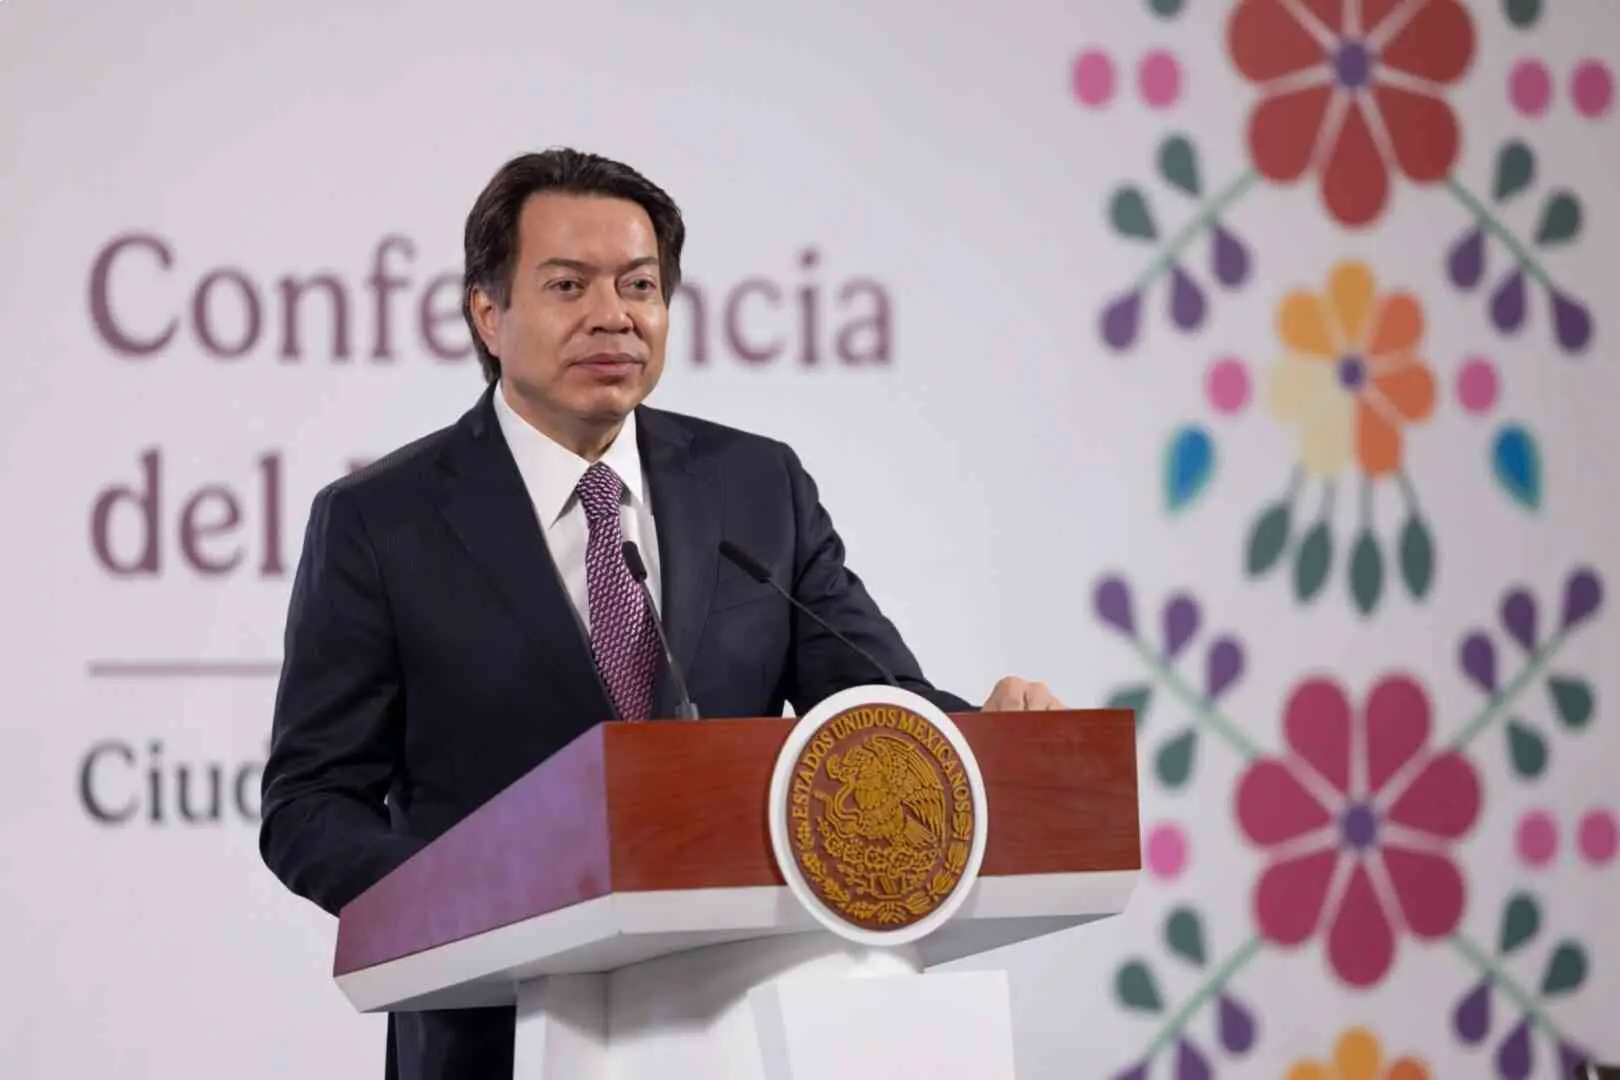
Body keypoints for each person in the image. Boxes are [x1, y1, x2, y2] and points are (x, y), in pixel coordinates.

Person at [258, 147, 1066, 1080]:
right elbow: (309, 806)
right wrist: (473, 900)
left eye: (639, 285)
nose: (614, 315)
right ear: (489, 312)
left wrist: (988, 744)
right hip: (499, 1035)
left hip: (752, 1023)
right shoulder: (378, 522)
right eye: (568, 284)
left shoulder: (758, 485)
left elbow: (872, 703)